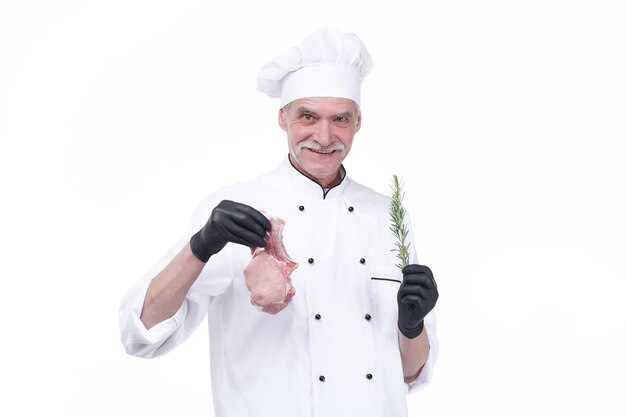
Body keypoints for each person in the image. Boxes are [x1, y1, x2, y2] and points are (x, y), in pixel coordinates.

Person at [120, 28, 439, 417]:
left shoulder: (388, 217)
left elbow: (409, 373)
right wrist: (200, 246)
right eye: (308, 116)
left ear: (357, 121)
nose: (324, 136)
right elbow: (142, 333)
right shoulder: (239, 208)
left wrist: (412, 326)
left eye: (339, 118)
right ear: (282, 117)